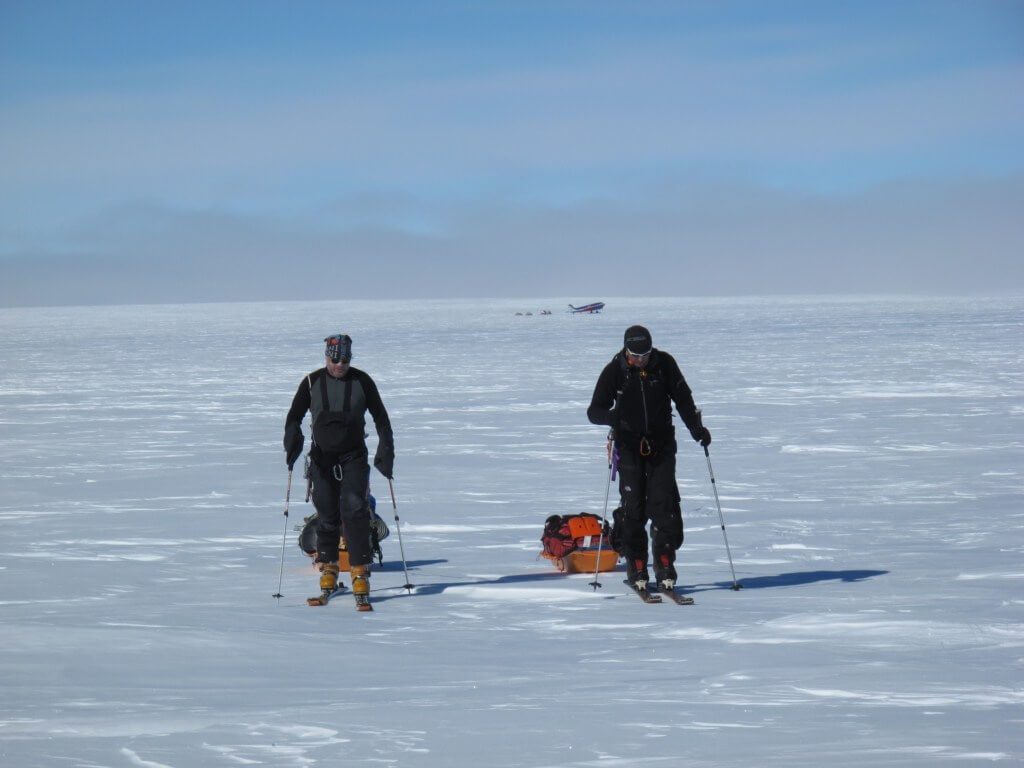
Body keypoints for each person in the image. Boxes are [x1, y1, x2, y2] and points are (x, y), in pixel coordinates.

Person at [587, 325, 711, 592]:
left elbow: (684, 399)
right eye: (635, 354)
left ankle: (665, 562)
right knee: (633, 507)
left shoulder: (665, 364)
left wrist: (697, 430)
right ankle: (637, 563)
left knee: (664, 504)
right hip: (629, 447)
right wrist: (612, 418)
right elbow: (593, 411)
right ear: (626, 350)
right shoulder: (615, 371)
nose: (640, 359)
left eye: (645, 354)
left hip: (662, 444)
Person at [284, 333, 395, 609]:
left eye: (345, 359)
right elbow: (293, 417)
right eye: (335, 359)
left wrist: (385, 451)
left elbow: (382, 419)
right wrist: (292, 441)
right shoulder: (311, 382)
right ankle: (329, 567)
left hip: (354, 456)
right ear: (326, 357)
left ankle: (359, 571)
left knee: (355, 506)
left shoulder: (362, 381)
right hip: (322, 457)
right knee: (327, 510)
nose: (340, 365)